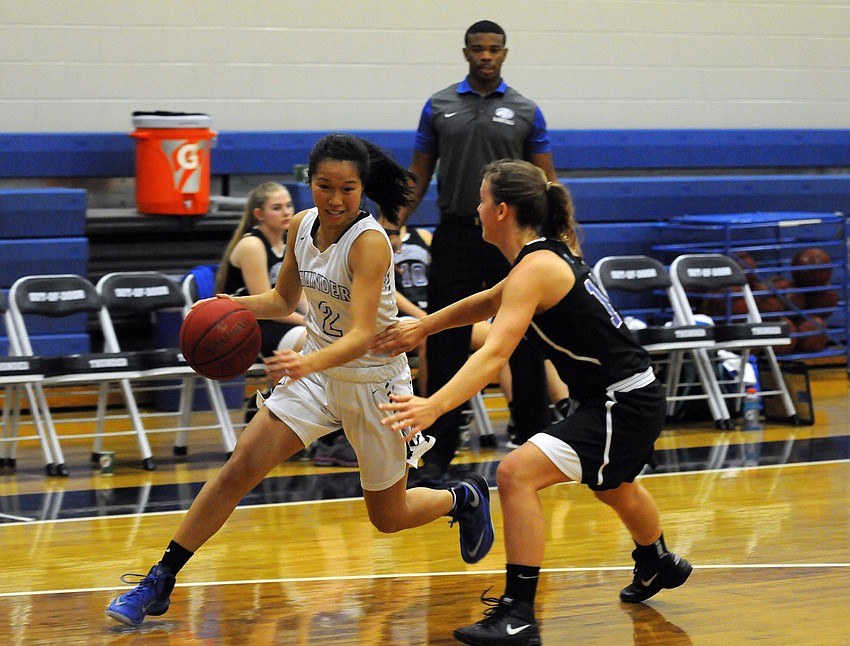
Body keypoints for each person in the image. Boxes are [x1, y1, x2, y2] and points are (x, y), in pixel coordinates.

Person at [106, 134, 495, 627]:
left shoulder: (370, 243)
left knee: (388, 518)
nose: (335, 199)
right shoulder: (301, 226)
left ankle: (462, 497)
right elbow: (282, 301)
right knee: (236, 471)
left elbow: (362, 334)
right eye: (324, 186)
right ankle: (159, 579)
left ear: (363, 189)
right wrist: (225, 306)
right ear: (309, 182)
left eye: (348, 189)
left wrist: (307, 364)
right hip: (316, 375)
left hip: (375, 385)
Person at [376, 159, 692, 645]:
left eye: (481, 200)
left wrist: (433, 405)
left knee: (515, 472)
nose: (476, 208)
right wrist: (424, 325)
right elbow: (487, 301)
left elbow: (495, 352)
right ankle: (657, 561)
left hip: (621, 400)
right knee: (613, 485)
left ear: (501, 210)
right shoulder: (537, 259)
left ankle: (519, 612)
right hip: (620, 395)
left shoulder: (538, 265)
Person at [382, 20, 556, 485]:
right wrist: (393, 219)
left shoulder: (525, 110)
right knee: (445, 342)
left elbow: (545, 180)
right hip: (458, 233)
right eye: (477, 49)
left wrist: (557, 233)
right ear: (466, 53)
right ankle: (437, 449)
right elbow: (418, 174)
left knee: (524, 339)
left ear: (504, 53)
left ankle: (536, 438)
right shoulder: (439, 106)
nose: (485, 56)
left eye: (493, 49)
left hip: (511, 238)